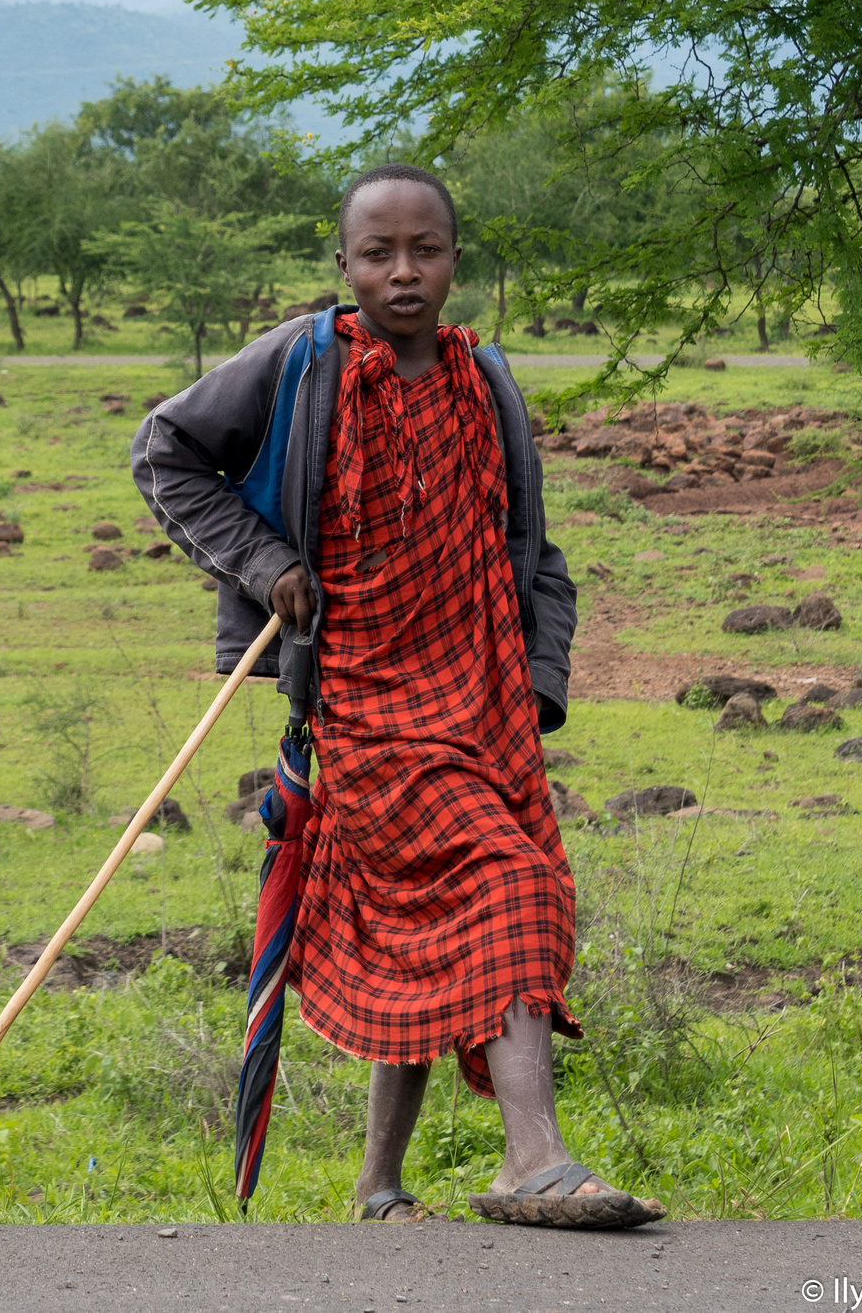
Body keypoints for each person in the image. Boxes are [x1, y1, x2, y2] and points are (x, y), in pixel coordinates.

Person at [132, 163, 663, 1230]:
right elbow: (166, 452)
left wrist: (540, 683)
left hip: (485, 703)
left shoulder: (488, 383)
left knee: (428, 926)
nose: (403, 271)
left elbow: (532, 553)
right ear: (344, 266)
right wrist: (263, 562)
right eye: (378, 253)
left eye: (424, 250)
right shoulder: (303, 361)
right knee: (505, 884)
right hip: (366, 702)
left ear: (456, 261)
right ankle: (535, 1163)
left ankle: (379, 1188)